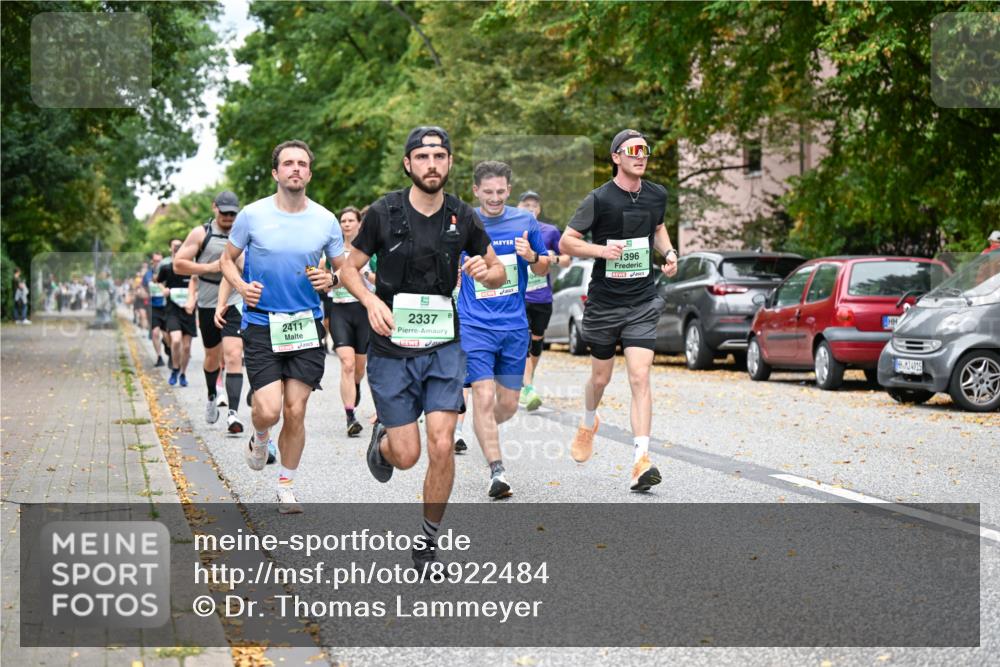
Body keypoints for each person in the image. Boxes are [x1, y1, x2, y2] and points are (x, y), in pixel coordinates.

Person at [340, 126, 505, 568]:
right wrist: (371, 300)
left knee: (441, 442)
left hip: (443, 346)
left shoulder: (463, 216)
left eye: (440, 156)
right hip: (392, 347)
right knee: (408, 456)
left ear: (449, 163)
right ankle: (384, 441)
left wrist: (484, 272)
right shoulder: (382, 212)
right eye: (423, 156)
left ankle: (429, 540)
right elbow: (348, 270)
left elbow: (498, 272)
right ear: (408, 164)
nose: (432, 164)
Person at [219, 139, 342, 514]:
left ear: (309, 172)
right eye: (288, 163)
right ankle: (260, 437)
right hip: (261, 325)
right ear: (275, 172)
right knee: (269, 410)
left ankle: (286, 485)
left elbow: (344, 268)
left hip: (306, 326)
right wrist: (240, 287)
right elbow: (227, 260)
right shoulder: (252, 216)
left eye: (302, 164)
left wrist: (332, 281)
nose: (295, 169)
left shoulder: (325, 220)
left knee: (296, 409)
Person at [559, 129, 679, 492]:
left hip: (642, 300)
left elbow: (658, 229)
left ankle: (641, 460)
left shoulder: (657, 194)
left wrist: (669, 253)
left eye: (645, 150)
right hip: (605, 303)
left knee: (640, 376)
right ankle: (588, 421)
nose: (641, 156)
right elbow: (567, 241)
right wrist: (601, 252)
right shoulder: (598, 200)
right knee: (601, 379)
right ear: (616, 157)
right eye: (633, 151)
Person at [457, 162, 550, 499]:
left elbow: (543, 264)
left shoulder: (525, 221)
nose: (494, 198)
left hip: (513, 324)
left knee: (507, 404)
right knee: (482, 395)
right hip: (474, 323)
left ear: (508, 190)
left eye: (500, 192)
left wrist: (532, 255)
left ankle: (482, 426)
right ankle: (497, 472)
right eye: (488, 192)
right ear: (476, 191)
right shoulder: (463, 221)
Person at [174, 191, 248, 434]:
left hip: (234, 301)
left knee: (234, 355)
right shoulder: (201, 233)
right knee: (212, 358)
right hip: (207, 302)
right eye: (224, 212)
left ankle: (233, 414)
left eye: (232, 213)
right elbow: (179, 264)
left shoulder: (243, 232)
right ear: (214, 208)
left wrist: (238, 266)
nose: (228, 217)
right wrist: (211, 266)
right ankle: (210, 395)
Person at [322, 206, 376, 437]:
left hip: (362, 311)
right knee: (347, 362)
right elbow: (325, 283)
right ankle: (350, 416)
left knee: (359, 368)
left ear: (358, 224)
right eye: (342, 220)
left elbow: (379, 280)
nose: (346, 224)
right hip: (340, 311)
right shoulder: (332, 255)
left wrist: (362, 274)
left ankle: (354, 389)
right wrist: (339, 278)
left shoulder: (369, 252)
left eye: (350, 220)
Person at [516, 190, 571, 411]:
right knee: (522, 341)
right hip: (519, 297)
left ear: (539, 210)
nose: (530, 208)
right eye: (526, 204)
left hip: (542, 297)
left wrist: (552, 258)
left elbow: (567, 259)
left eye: (534, 205)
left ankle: (527, 380)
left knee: (537, 341)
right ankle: (527, 386)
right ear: (518, 207)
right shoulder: (511, 230)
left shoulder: (550, 232)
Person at [158, 239, 198, 387]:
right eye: (175, 247)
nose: (178, 249)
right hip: (172, 309)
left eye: (180, 246)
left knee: (186, 347)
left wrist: (193, 300)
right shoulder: (167, 268)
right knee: (175, 340)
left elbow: (198, 287)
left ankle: (182, 373)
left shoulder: (192, 269)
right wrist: (164, 290)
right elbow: (158, 281)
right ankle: (175, 368)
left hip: (188, 310)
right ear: (172, 250)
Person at [144, 253, 170, 367]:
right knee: (155, 333)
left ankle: (169, 349)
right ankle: (159, 357)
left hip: (166, 306)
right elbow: (143, 288)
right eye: (155, 260)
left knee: (166, 335)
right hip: (153, 307)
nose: (157, 262)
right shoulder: (148, 275)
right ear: (152, 262)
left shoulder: (166, 271)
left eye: (159, 260)